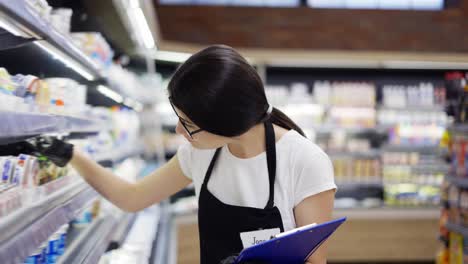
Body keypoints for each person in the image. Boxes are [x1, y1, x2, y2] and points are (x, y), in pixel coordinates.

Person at [28, 45, 336, 264]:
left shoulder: (304, 161)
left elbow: (313, 260)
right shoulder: (200, 154)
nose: (178, 132)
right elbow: (133, 198)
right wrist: (71, 155)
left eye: (188, 125)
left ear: (228, 124)